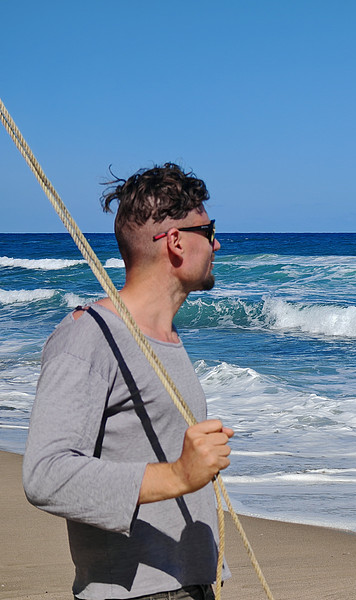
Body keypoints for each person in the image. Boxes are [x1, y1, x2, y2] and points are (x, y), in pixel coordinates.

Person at [23, 163, 233, 600]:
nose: (216, 242)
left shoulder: (166, 338)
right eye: (207, 229)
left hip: (188, 586)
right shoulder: (88, 335)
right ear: (175, 242)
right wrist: (177, 475)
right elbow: (45, 475)